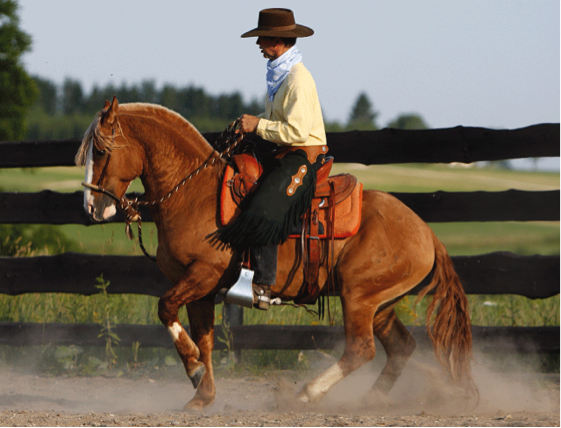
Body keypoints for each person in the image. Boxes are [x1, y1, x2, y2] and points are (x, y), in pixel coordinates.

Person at [216, 8, 328, 308]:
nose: (258, 46)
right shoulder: (281, 75)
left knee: (265, 208)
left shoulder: (297, 80)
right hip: (285, 150)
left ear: (277, 41)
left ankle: (264, 286)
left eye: (262, 39)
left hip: (303, 157)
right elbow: (278, 123)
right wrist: (252, 128)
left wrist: (258, 125)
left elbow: (297, 130)